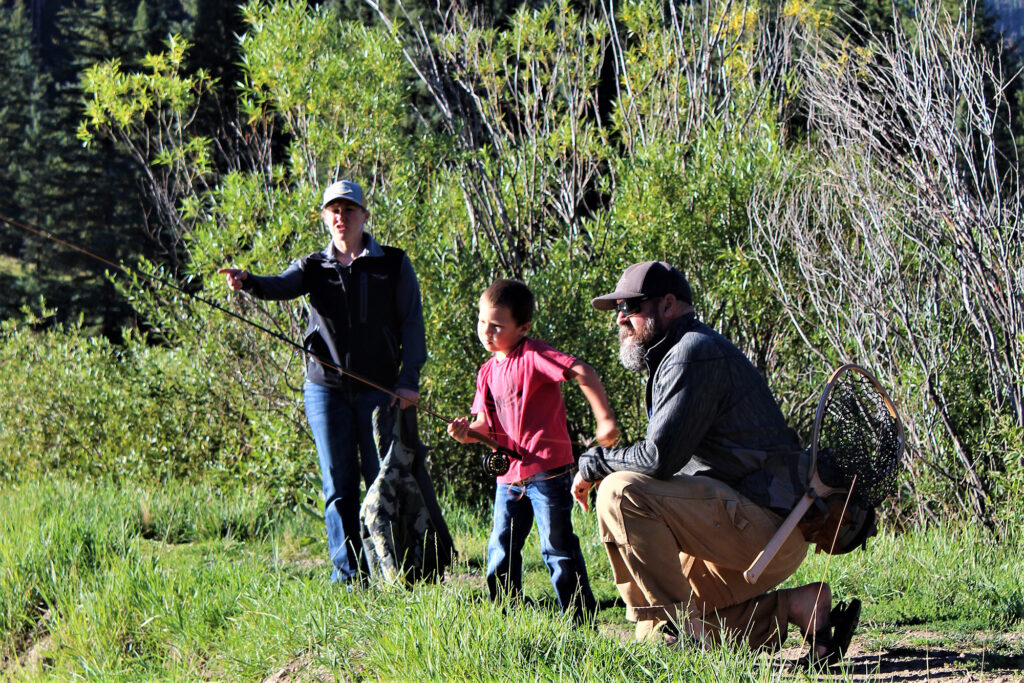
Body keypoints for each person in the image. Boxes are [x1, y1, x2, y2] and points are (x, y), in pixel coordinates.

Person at [570, 261, 860, 665]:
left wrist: (594, 462)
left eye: (630, 307)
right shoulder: (682, 352)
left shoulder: (693, 354)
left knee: (619, 492)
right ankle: (800, 607)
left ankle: (684, 643)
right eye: (618, 309)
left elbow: (657, 458)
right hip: (756, 531)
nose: (621, 318)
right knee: (664, 627)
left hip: (763, 530)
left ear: (668, 304)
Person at [219, 180, 426, 584]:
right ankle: (348, 576)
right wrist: (249, 281)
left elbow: (412, 325)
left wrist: (408, 380)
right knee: (338, 485)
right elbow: (280, 284)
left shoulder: (394, 264)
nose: (340, 217)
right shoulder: (313, 265)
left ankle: (391, 570)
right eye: (333, 210)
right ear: (324, 217)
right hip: (324, 391)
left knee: (381, 482)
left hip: (380, 391)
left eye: (349, 210)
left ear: (365, 216)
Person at [447, 279, 619, 623]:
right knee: (500, 546)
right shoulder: (486, 372)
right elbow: (486, 426)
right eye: (482, 322)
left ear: (523, 327)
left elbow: (583, 371)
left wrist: (604, 420)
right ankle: (504, 615)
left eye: (497, 326)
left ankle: (579, 619)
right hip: (508, 478)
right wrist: (467, 434)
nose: (487, 332)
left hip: (548, 473)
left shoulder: (534, 355)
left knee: (556, 546)